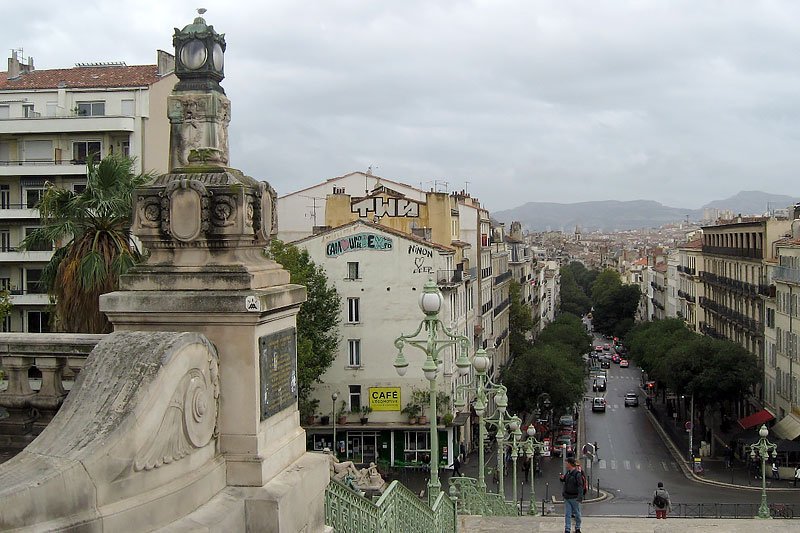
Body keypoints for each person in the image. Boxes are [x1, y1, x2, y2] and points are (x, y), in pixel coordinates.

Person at [560, 457, 583, 533]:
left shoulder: (577, 474)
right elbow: (565, 480)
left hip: (574, 497)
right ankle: (567, 529)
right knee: (568, 514)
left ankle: (577, 528)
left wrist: (580, 497)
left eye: (566, 463)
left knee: (577, 514)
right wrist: (562, 478)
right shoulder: (568, 472)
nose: (565, 464)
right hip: (567, 497)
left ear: (570, 463)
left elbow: (580, 486)